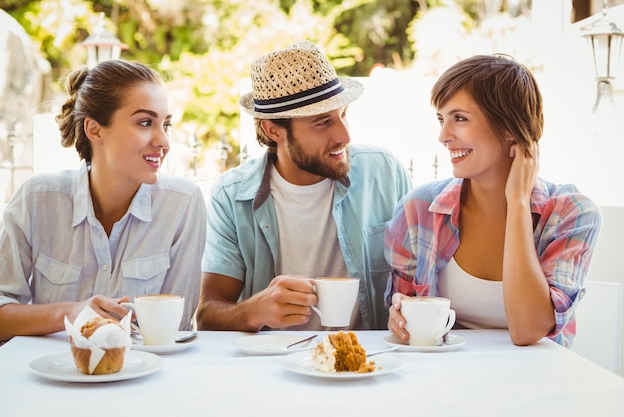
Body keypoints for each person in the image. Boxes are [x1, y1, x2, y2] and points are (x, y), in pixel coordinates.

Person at [385, 54, 601, 347]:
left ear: (510, 128)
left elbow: (529, 329)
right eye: (441, 119)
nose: (443, 136)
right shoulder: (418, 209)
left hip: (539, 385)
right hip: (441, 380)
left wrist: (519, 203)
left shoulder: (571, 214)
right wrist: (398, 317)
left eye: (459, 118)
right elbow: (403, 325)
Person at [196, 41, 411, 332]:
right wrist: (254, 311)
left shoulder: (385, 172)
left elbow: (423, 282)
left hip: (370, 361)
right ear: (274, 130)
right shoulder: (231, 197)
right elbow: (208, 313)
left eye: (343, 115)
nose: (344, 135)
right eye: (323, 122)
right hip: (276, 365)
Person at [0, 59, 206, 342]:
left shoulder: (182, 204)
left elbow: (177, 328)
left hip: (143, 376)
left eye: (165, 125)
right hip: (50, 375)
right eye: (145, 122)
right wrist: (71, 313)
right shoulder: (37, 200)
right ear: (95, 130)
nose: (163, 141)